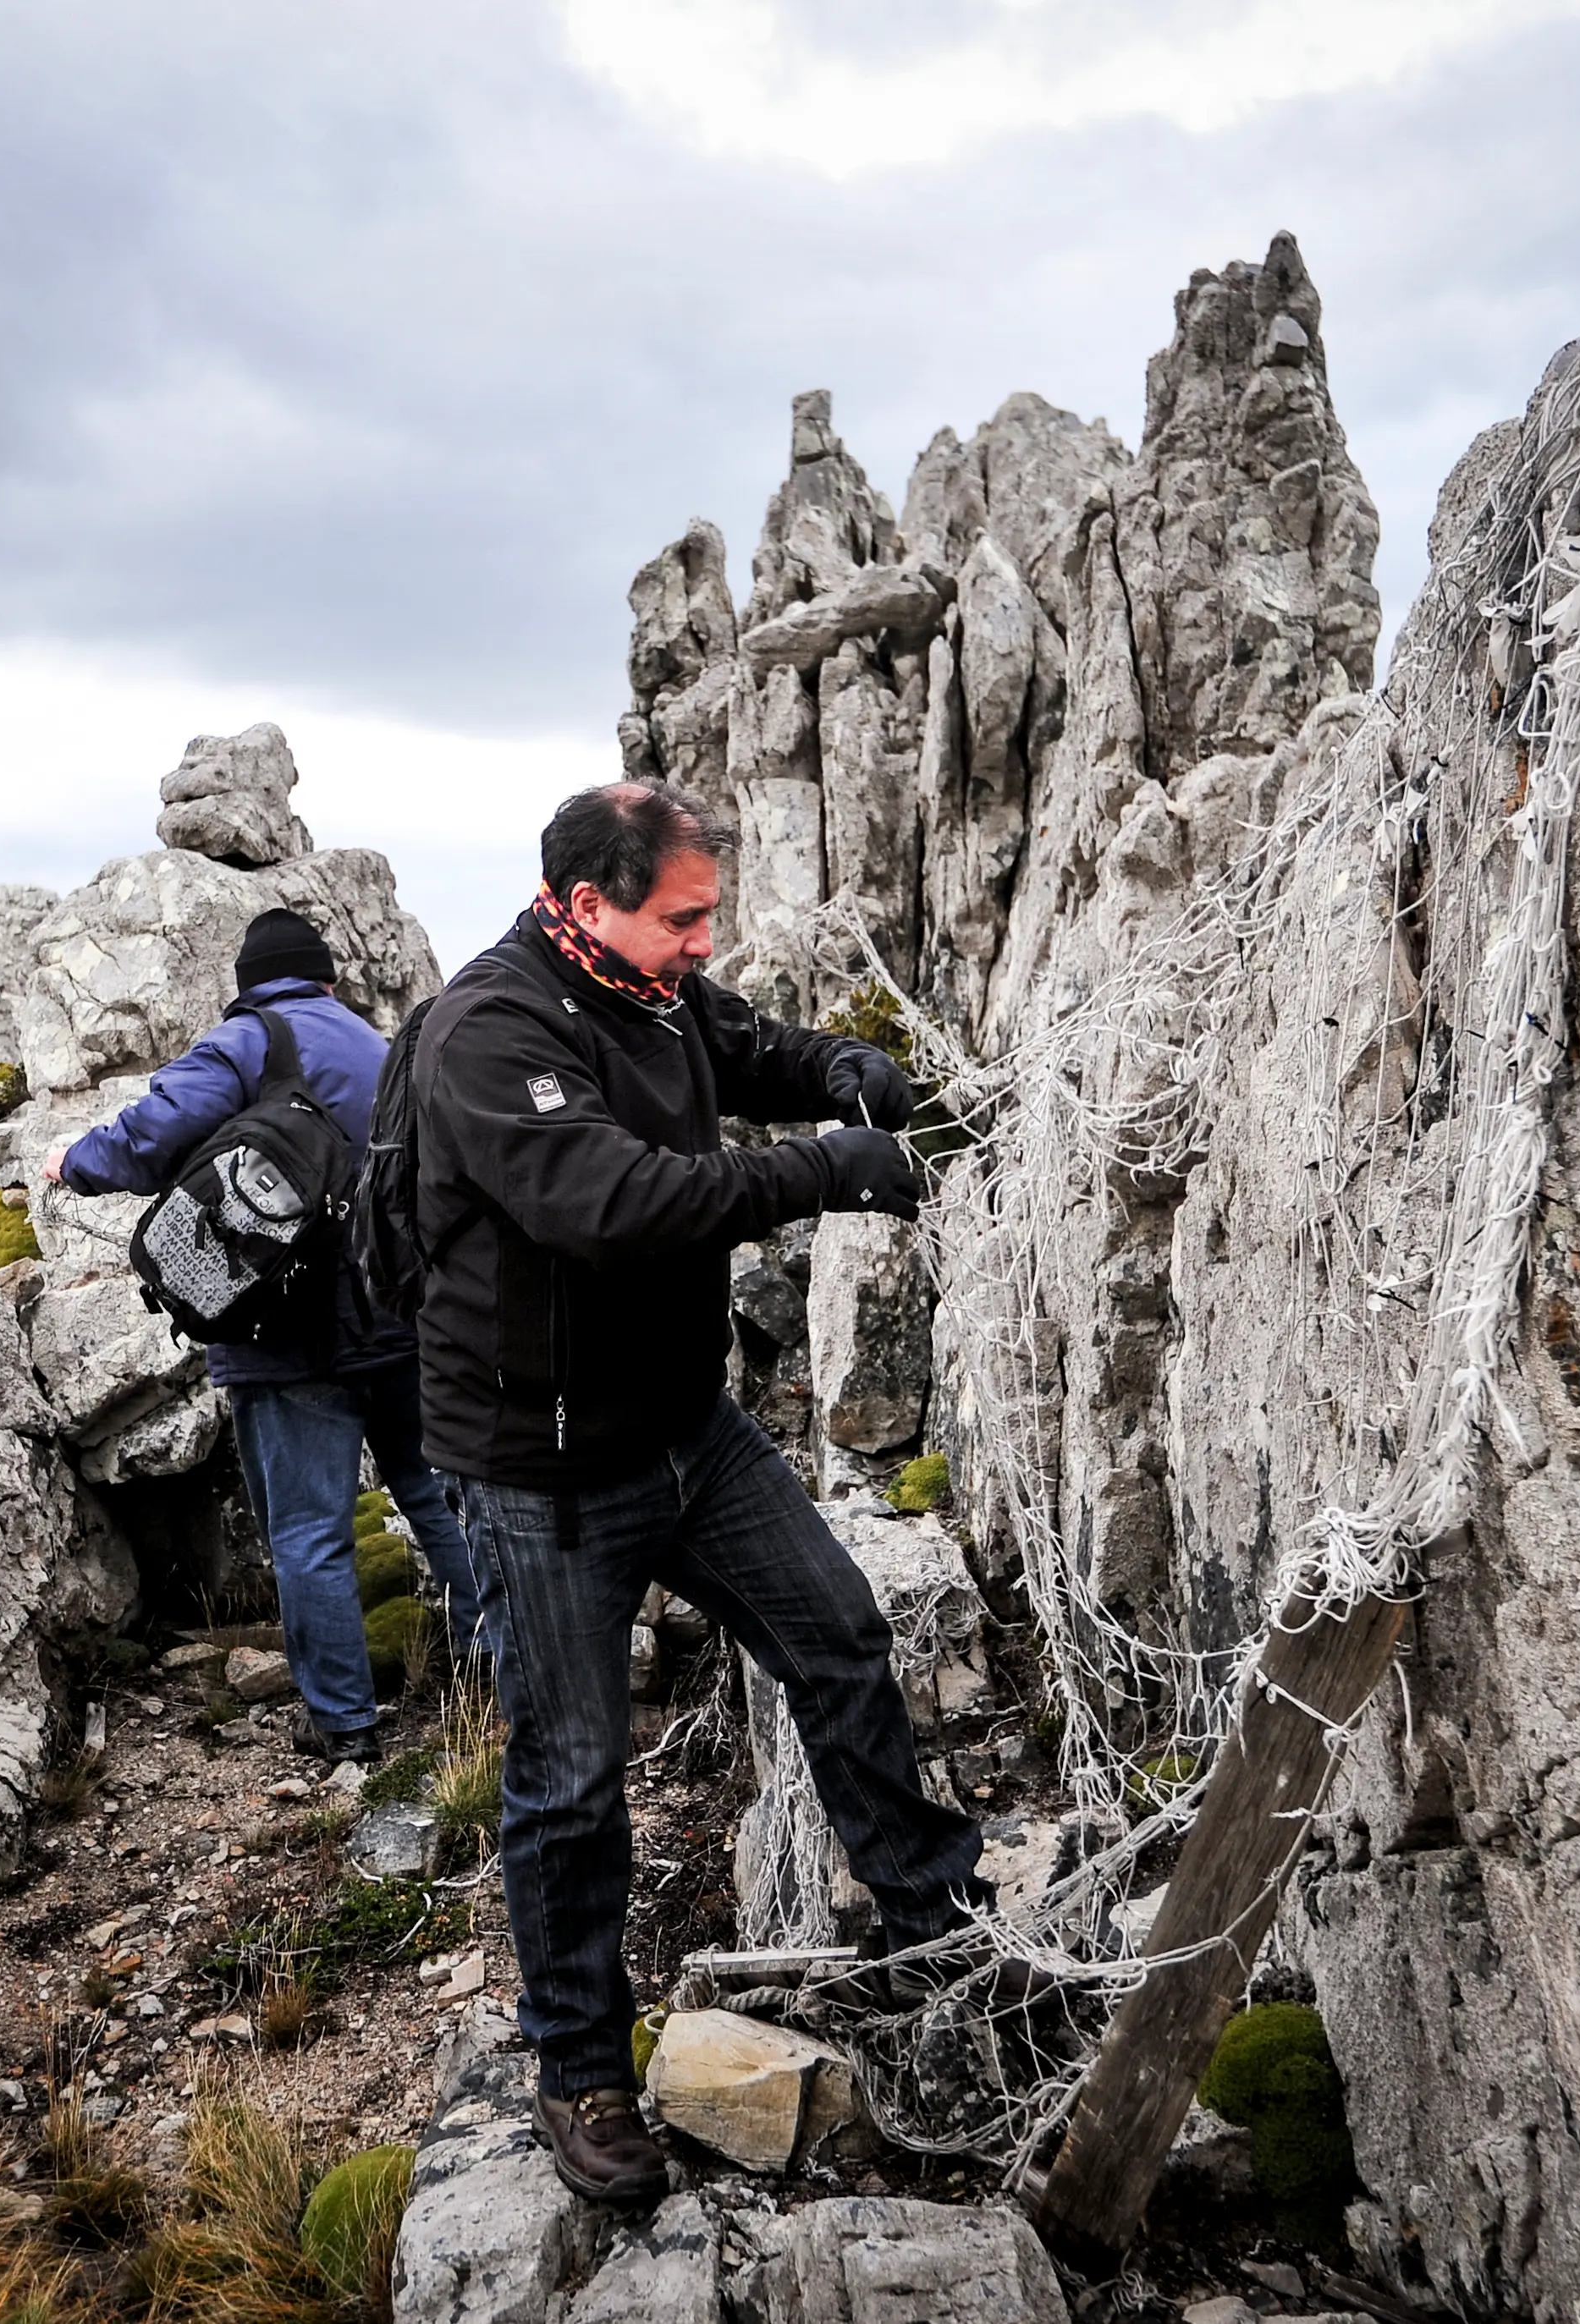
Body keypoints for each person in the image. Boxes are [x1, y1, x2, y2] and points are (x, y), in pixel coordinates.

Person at [411, 780, 988, 2202]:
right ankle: (581, 2072)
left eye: (704, 915)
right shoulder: (489, 1030)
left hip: (684, 1431)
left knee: (839, 1632)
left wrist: (843, 1074)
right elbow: (609, 1202)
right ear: (585, 900)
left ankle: (931, 1922)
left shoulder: (652, 988)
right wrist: (816, 1174)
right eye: (681, 917)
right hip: (538, 1471)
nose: (698, 941)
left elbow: (752, 1047)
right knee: (566, 1780)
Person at [54, 906, 492, 1765]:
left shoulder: (251, 1042)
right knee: (437, 1498)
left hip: (285, 1335)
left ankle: (344, 1723)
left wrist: (72, 1161)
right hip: (405, 1319)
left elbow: (151, 1137)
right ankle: (498, 1666)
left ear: (249, 985)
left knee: (309, 1533)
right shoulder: (382, 1046)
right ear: (328, 977)